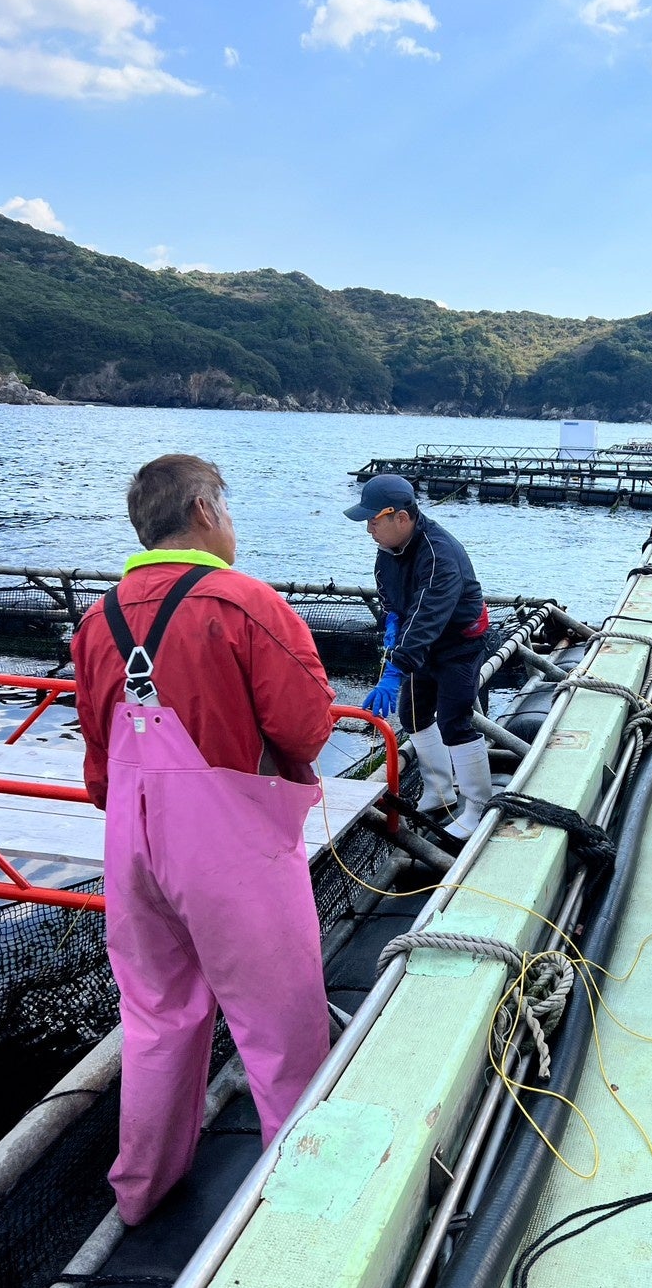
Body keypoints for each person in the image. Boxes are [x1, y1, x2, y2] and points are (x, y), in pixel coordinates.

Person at [71, 454, 335, 1225]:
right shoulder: (245, 602)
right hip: (231, 854)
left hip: (132, 843)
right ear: (203, 509)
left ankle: (141, 1192)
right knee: (279, 1027)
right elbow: (306, 726)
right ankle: (295, 1206)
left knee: (155, 1016)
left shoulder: (97, 618)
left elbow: (96, 761)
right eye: (226, 505)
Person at [346, 475, 491, 840]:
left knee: (455, 720)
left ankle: (475, 805)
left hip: (458, 645)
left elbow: (427, 617)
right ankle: (439, 789)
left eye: (373, 521)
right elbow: (393, 601)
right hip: (420, 646)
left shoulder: (439, 554)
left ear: (400, 517)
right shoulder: (388, 551)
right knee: (412, 713)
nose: (369, 530)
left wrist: (393, 672)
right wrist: (391, 622)